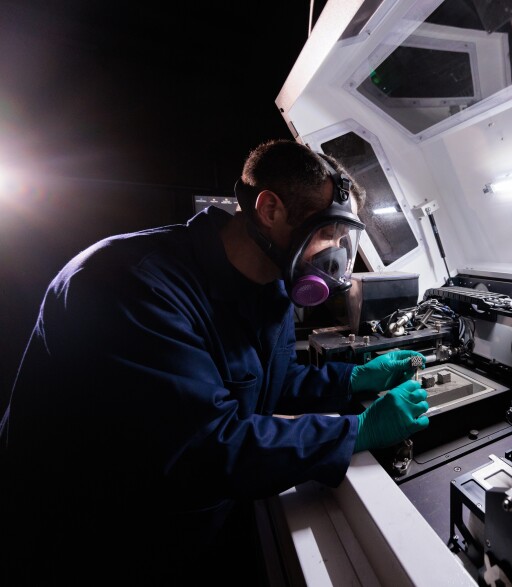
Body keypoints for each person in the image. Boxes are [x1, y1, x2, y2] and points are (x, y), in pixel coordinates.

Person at [0, 139, 430, 585]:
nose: (337, 253)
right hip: (83, 541)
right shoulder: (133, 286)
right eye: (330, 233)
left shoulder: (270, 287)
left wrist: (353, 379)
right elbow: (205, 446)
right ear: (269, 210)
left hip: (178, 525)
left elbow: (270, 381)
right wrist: (355, 431)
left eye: (344, 239)